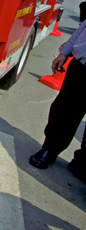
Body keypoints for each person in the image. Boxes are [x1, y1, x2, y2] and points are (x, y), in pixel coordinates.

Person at [29, 16, 86, 183]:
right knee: (65, 110)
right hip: (82, 67)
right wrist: (65, 52)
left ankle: (82, 163)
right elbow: (82, 28)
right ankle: (49, 149)